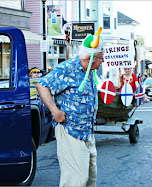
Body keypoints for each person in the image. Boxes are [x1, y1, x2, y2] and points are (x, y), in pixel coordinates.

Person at [36, 28, 104, 187]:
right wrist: (55, 111)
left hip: (87, 133)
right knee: (76, 181)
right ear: (90, 58)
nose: (102, 62)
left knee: (90, 179)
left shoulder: (89, 71)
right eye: (101, 58)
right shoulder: (67, 69)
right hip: (71, 131)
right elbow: (42, 85)